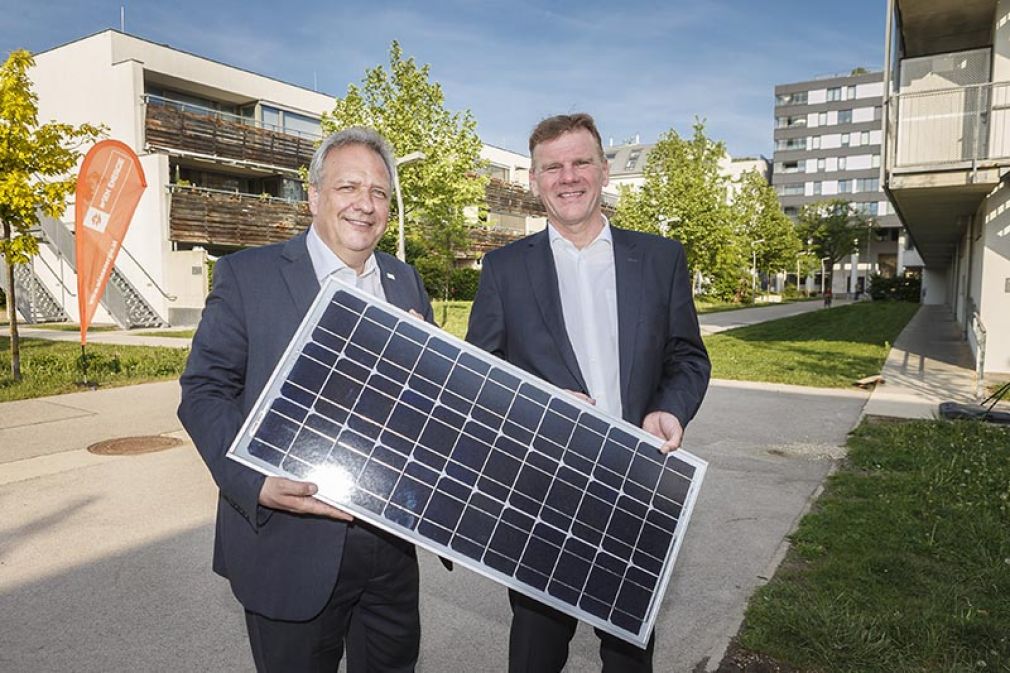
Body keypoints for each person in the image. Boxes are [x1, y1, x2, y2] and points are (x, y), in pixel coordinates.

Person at [179, 127, 433, 673]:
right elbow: (204, 390)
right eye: (348, 187)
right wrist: (255, 481)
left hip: (389, 551)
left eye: (379, 192)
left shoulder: (405, 283)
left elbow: (424, 415)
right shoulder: (249, 276)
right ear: (314, 196)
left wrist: (429, 369)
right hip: (287, 544)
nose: (365, 204)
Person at [466, 113, 711, 673]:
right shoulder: (503, 269)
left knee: (629, 651)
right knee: (535, 646)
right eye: (552, 166)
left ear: (604, 171)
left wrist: (668, 410)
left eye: (581, 162)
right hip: (541, 488)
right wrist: (536, 410)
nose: (567, 176)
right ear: (534, 180)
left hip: (635, 480)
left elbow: (687, 357)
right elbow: (484, 374)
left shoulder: (659, 259)